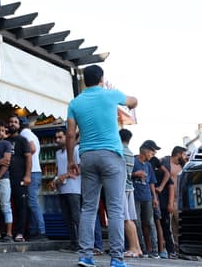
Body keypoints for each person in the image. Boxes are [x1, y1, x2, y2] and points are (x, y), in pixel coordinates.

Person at [66, 64, 138, 267]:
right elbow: (133, 100)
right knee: (115, 209)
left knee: (88, 208)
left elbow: (70, 133)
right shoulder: (110, 95)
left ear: (83, 81)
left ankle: (86, 256)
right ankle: (116, 258)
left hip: (87, 156)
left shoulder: (75, 102)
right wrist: (132, 105)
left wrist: (71, 161)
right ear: (101, 79)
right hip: (112, 156)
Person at [52, 128, 81, 253]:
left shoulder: (76, 150)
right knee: (67, 219)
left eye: (60, 137)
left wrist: (64, 176)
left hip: (74, 189)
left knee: (76, 217)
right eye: (56, 137)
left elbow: (79, 169)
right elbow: (58, 170)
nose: (57, 140)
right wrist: (54, 181)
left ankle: (83, 245)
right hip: (62, 189)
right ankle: (74, 244)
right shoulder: (58, 153)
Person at [19, 116, 46, 241]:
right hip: (36, 171)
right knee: (32, 202)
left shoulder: (24, 134)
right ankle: (34, 230)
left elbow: (32, 149)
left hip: (32, 172)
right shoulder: (33, 134)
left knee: (32, 203)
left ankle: (41, 231)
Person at [132, 140, 160, 259]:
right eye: (152, 153)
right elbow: (124, 175)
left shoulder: (148, 165)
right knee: (137, 223)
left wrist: (154, 197)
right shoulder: (133, 161)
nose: (153, 155)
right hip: (134, 196)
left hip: (147, 197)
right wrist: (134, 174)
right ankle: (142, 249)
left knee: (150, 223)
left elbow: (152, 182)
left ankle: (155, 250)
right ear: (146, 151)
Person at [6, 115, 31, 242]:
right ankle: (9, 233)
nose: (12, 124)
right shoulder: (5, 140)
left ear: (19, 125)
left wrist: (27, 175)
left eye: (15, 122)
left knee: (21, 206)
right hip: (6, 178)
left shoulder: (23, 140)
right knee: (7, 206)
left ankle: (20, 233)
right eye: (10, 121)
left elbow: (28, 157)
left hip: (19, 177)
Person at [118, 129, 142, 258]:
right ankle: (137, 248)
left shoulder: (120, 151)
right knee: (130, 219)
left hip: (122, 188)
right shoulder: (130, 153)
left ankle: (133, 248)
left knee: (126, 219)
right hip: (130, 187)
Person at [151, 146, 175, 258]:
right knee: (156, 226)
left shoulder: (160, 173)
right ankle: (162, 249)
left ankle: (170, 251)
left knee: (165, 227)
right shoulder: (151, 173)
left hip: (164, 204)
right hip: (154, 203)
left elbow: (171, 186)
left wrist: (170, 203)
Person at [166, 146, 188, 255]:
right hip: (169, 200)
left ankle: (182, 250)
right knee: (170, 228)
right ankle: (174, 249)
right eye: (184, 154)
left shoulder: (183, 165)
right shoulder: (166, 163)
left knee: (181, 227)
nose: (185, 156)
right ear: (178, 154)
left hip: (180, 202)